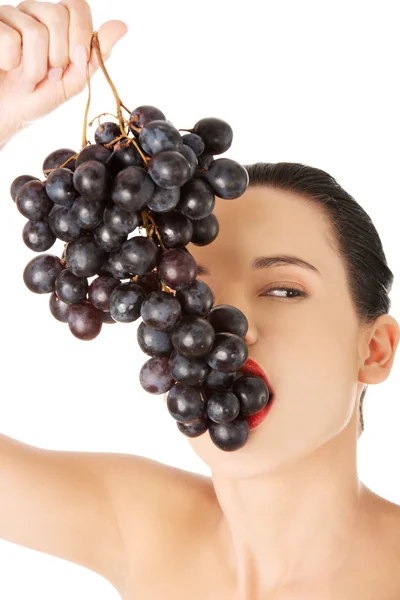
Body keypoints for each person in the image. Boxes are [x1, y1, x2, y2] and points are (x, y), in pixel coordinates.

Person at [1, 1, 400, 599]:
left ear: (373, 349)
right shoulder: (138, 524)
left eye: (284, 289)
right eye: (196, 288)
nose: (222, 326)